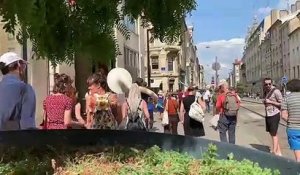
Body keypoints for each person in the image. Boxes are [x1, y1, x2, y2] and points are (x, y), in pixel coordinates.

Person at [0, 52, 36, 130]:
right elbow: (27, 126)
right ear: (19, 65)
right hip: (12, 140)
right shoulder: (25, 89)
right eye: (24, 65)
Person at [281, 79, 300, 161]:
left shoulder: (286, 98)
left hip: (293, 128)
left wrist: (291, 120)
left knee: (297, 150)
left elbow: (283, 115)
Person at [263, 77, 283, 156]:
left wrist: (270, 101)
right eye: (266, 84)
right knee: (272, 133)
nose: (268, 85)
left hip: (274, 114)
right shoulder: (266, 91)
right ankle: (279, 152)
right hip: (268, 114)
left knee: (274, 134)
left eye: (269, 84)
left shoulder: (276, 91)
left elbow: (282, 103)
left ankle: (274, 153)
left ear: (272, 83)